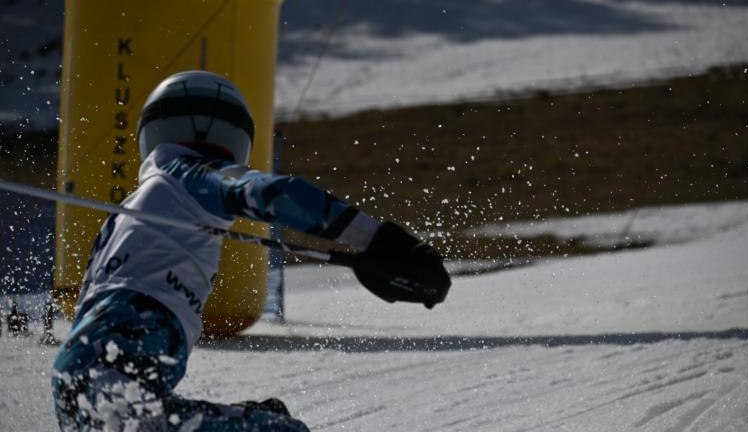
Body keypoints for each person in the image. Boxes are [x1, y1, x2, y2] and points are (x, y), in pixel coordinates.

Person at [51, 70, 450, 431]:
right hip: (116, 385)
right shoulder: (188, 176)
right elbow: (274, 194)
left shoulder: (133, 214)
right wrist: (373, 239)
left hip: (81, 386)